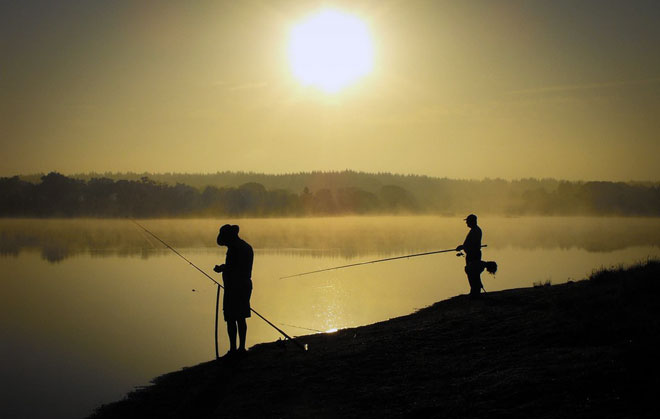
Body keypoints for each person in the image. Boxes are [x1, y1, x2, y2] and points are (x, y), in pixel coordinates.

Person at [213, 224, 253, 356]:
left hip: (234, 288)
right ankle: (241, 348)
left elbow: (233, 268)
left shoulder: (234, 249)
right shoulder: (246, 247)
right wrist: (225, 267)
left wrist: (221, 268)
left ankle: (233, 349)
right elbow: (236, 266)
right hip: (245, 286)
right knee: (241, 317)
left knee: (231, 318)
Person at [456, 214, 484, 297]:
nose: (466, 223)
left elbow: (473, 244)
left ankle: (475, 292)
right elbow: (470, 243)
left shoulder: (476, 231)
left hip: (474, 255)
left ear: (472, 221)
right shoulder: (475, 230)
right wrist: (463, 246)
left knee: (473, 273)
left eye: (468, 221)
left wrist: (462, 246)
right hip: (472, 254)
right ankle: (474, 291)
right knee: (472, 273)